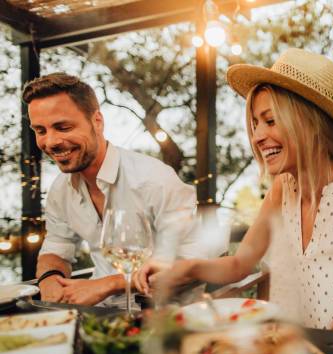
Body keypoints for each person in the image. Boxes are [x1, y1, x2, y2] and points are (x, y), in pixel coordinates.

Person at [134, 49, 333, 329]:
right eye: (255, 123)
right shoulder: (282, 190)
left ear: (310, 124)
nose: (258, 136)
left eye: (271, 121)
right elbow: (239, 263)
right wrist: (187, 268)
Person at [24, 73, 202, 306]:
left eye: (63, 127)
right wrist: (50, 280)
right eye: (40, 131)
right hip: (99, 317)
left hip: (168, 318)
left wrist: (109, 284)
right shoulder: (60, 190)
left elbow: (192, 263)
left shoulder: (155, 180)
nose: (51, 142)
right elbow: (56, 250)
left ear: (97, 121)